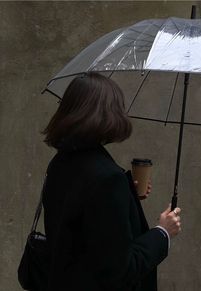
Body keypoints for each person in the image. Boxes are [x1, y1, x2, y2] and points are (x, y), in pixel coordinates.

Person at [42, 72, 181, 291]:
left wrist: (126, 199)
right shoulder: (107, 179)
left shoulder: (61, 162)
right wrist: (162, 233)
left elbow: (82, 226)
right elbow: (119, 270)